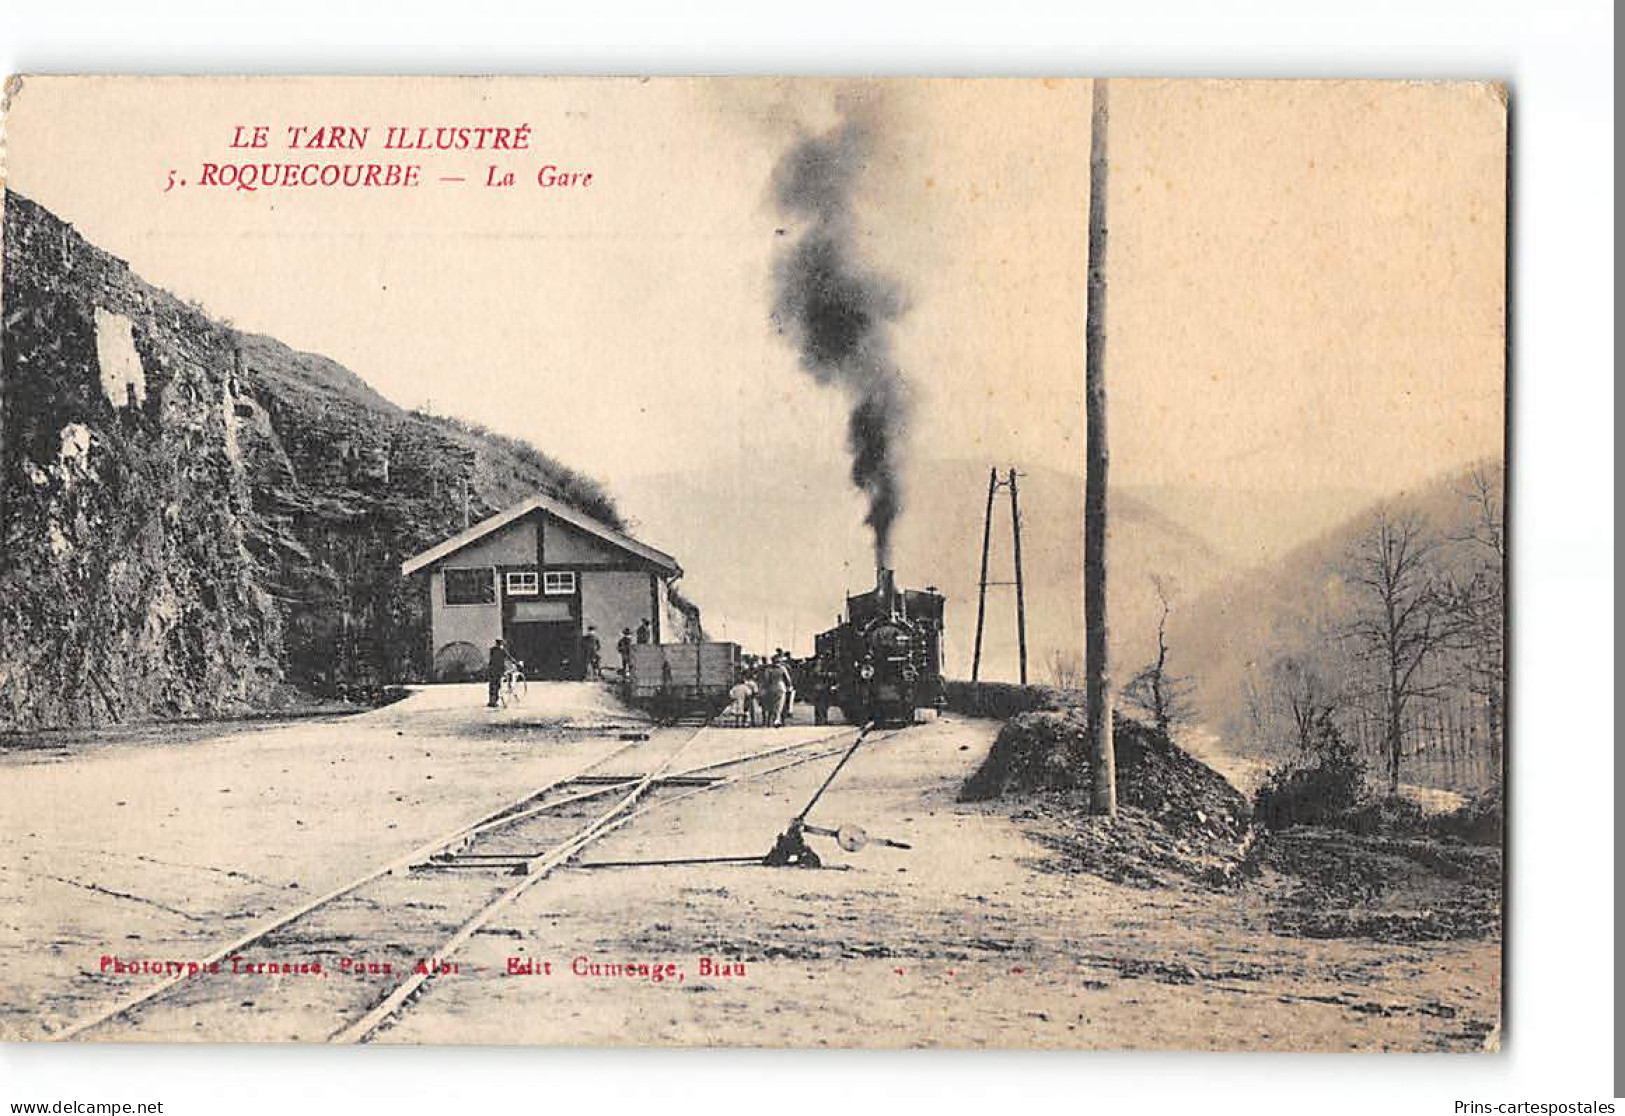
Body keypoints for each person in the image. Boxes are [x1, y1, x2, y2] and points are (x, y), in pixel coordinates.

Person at [759, 657, 792, 728]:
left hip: (771, 688)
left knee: (772, 704)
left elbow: (766, 679)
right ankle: (777, 719)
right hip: (781, 687)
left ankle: (770, 720)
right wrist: (789, 686)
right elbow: (788, 679)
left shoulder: (768, 669)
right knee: (780, 705)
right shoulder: (782, 668)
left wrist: (765, 687)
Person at [486, 638, 510, 708]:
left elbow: (491, 659)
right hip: (498, 670)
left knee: (492, 686)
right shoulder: (502, 651)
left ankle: (491, 701)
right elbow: (509, 657)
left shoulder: (492, 650)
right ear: (501, 643)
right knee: (497, 685)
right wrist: (516, 663)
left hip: (492, 670)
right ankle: (494, 701)